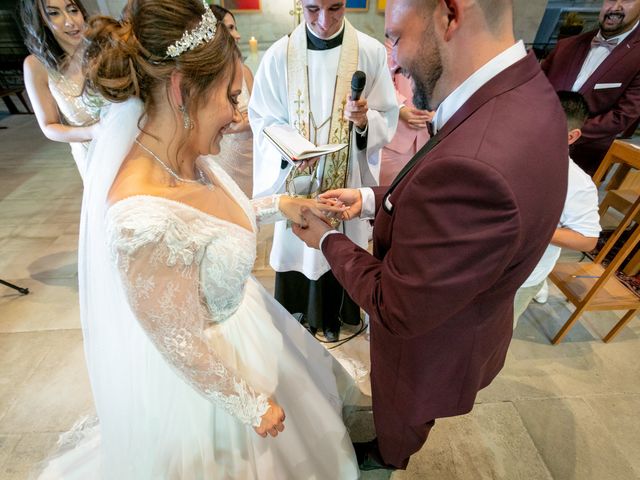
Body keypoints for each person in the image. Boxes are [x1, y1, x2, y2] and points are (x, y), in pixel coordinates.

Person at [39, 0, 360, 478]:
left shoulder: (180, 151)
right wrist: (250, 405)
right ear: (180, 89)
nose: (237, 115)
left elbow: (204, 227)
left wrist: (280, 206)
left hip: (248, 338)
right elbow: (174, 339)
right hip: (211, 394)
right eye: (230, 97)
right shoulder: (137, 218)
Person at [294, 0, 568, 470]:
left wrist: (325, 240)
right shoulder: (523, 89)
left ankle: (387, 457)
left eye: (397, 36)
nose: (393, 59)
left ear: (449, 14)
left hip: (430, 343)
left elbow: (394, 305)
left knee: (401, 417)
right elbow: (443, 187)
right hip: (465, 309)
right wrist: (373, 197)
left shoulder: (480, 163)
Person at [249, 0, 398, 342]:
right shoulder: (279, 56)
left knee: (341, 240)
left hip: (346, 179)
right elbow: (263, 119)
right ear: (299, 4)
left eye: (336, 9)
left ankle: (338, 314)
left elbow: (386, 116)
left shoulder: (370, 53)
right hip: (298, 180)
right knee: (299, 247)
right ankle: (301, 312)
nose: (324, 21)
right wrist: (289, 151)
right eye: (313, 9)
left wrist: (364, 122)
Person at [514, 91, 602, 325]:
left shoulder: (577, 183)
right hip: (481, 264)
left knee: (489, 340)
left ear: (571, 136)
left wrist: (531, 230)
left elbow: (586, 239)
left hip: (521, 277)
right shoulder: (511, 156)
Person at [542, 0, 640, 176]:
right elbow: (535, 88)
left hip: (582, 159)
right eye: (610, 0)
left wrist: (563, 133)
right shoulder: (567, 45)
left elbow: (622, 116)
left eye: (626, 0)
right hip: (533, 141)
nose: (615, 7)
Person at [21, 0, 106, 182]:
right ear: (41, 20)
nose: (70, 21)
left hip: (135, 144)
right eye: (54, 13)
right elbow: (49, 127)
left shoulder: (105, 47)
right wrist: (93, 132)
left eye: (73, 10)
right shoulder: (36, 66)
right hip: (93, 157)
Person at [207, 5, 255, 197]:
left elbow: (261, 113)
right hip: (219, 157)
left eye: (235, 28)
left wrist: (246, 122)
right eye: (230, 28)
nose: (238, 35)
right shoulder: (203, 80)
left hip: (247, 157)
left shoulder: (244, 72)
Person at [379, 38, 432, 186]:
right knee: (387, 192)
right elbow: (383, 80)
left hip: (431, 134)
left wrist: (439, 111)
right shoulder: (394, 38)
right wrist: (400, 109)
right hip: (396, 134)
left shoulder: (447, 39)